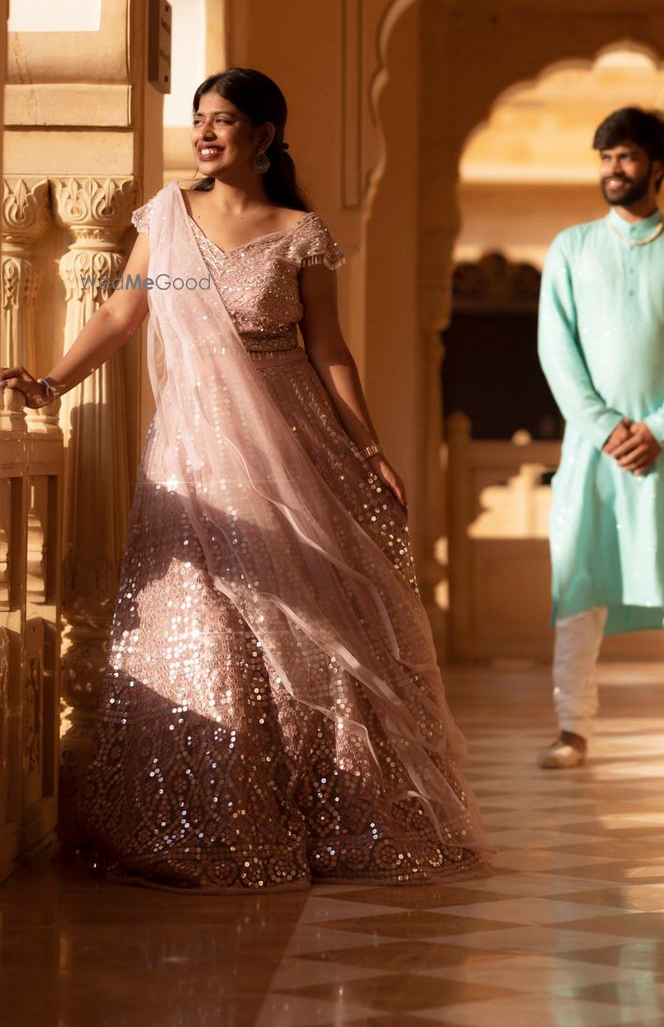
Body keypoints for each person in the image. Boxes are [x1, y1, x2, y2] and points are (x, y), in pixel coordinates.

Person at [1, 67, 489, 891]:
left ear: (264, 137)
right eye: (199, 119)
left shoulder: (301, 233)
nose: (204, 133)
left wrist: (368, 451)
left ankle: (327, 809)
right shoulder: (166, 217)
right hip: (194, 446)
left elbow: (328, 349)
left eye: (223, 120)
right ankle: (218, 812)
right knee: (209, 616)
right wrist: (51, 383)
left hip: (294, 444)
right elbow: (124, 312)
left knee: (314, 621)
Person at [536, 105, 664, 772]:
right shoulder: (570, 248)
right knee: (579, 588)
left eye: (624, 157)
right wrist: (604, 428)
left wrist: (660, 429)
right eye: (604, 158)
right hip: (593, 454)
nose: (612, 170)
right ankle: (572, 729)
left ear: (657, 165)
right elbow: (556, 350)